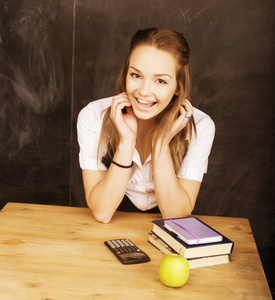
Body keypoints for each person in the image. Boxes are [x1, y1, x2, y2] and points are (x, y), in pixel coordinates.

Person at [77, 28, 215, 223]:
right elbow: (102, 212)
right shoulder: (93, 117)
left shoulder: (200, 127)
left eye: (160, 80)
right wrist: (127, 142)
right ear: (126, 74)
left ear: (177, 87)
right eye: (136, 75)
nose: (144, 91)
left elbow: (176, 217)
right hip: (110, 231)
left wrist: (161, 143)